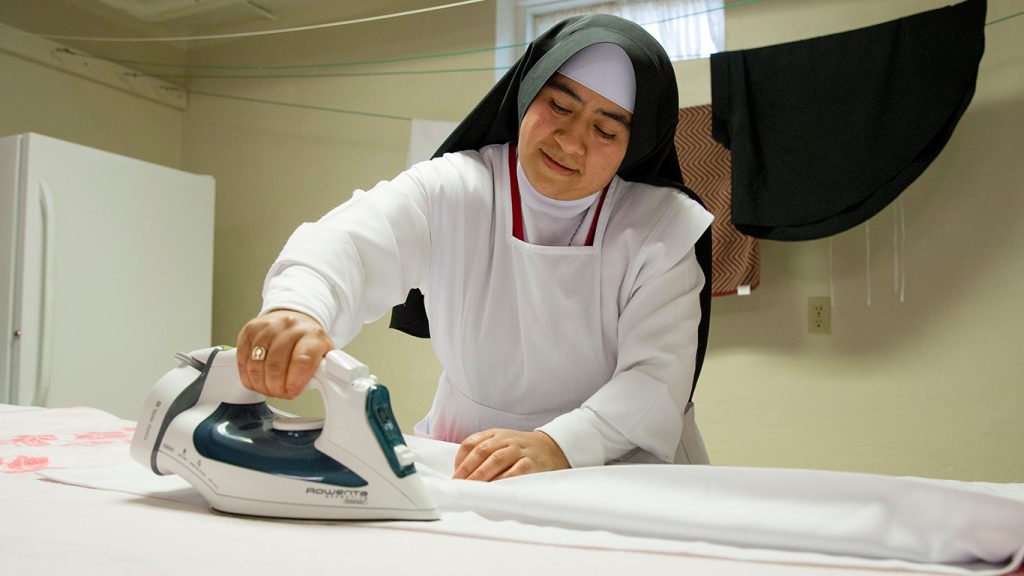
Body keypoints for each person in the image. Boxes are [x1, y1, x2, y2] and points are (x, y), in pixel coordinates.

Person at [236, 14, 714, 482]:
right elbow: (346, 245)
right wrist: (298, 310)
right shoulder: (456, 188)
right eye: (560, 107)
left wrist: (558, 445)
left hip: (613, 462)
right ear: (528, 92)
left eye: (606, 130)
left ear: (635, 143)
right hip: (468, 452)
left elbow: (654, 378)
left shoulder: (661, 227)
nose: (571, 143)